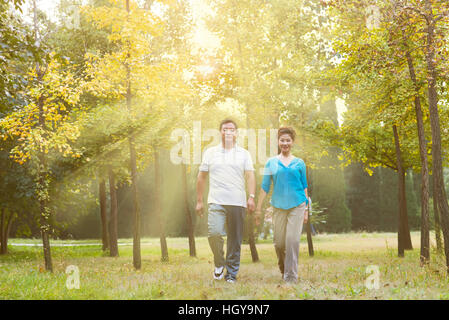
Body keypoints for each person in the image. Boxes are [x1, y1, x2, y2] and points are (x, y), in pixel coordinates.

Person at [196, 119, 256, 283]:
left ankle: (231, 274)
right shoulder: (210, 152)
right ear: (220, 132)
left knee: (235, 240)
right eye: (225, 129)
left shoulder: (244, 154)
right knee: (214, 233)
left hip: (238, 201)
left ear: (236, 133)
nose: (228, 132)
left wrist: (251, 197)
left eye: (231, 129)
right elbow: (201, 177)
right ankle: (219, 263)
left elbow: (250, 175)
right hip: (216, 200)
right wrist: (199, 200)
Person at [254, 127, 309, 283]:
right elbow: (265, 186)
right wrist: (258, 208)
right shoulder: (270, 162)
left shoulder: (300, 163)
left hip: (297, 204)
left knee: (292, 240)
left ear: (292, 142)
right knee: (279, 243)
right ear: (278, 142)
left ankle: (290, 277)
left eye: (288, 140)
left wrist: (306, 209)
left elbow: (304, 186)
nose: (285, 143)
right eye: (282, 140)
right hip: (278, 206)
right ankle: (284, 267)